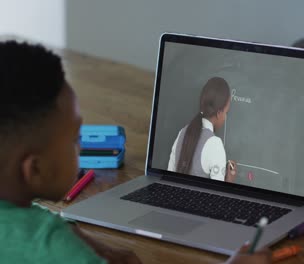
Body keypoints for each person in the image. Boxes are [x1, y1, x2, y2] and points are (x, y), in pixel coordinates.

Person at [0, 41, 270, 264]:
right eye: (74, 139)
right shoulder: (54, 249)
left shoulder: (32, 227)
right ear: (34, 169)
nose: (81, 146)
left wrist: (71, 233)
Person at [168, 77, 237, 182]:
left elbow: (169, 179)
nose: (225, 117)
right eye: (226, 112)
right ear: (219, 113)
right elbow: (217, 196)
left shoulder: (182, 133)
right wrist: (229, 180)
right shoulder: (215, 144)